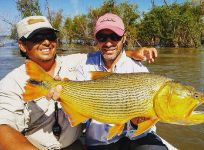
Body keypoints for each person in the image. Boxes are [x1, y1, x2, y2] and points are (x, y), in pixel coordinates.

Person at [0, 15, 157, 150]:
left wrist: (132, 53)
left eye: (50, 36)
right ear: (22, 45)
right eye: (37, 38)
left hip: (74, 145)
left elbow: (110, 54)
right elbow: (3, 129)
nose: (46, 42)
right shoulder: (10, 83)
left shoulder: (76, 61)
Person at [67, 13, 175, 150]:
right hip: (101, 140)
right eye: (102, 37)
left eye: (115, 36)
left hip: (138, 137)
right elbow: (80, 118)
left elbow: (148, 125)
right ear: (96, 39)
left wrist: (135, 124)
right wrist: (63, 98)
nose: (108, 43)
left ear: (124, 38)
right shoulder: (84, 65)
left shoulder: (138, 69)